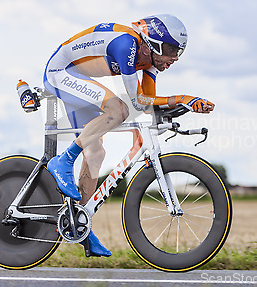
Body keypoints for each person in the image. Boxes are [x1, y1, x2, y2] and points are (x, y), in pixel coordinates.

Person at [43, 14, 214, 257]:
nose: (174, 58)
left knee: (95, 153)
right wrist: (182, 98)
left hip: (80, 78)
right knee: (118, 110)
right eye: (171, 50)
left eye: (179, 52)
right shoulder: (127, 45)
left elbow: (147, 105)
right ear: (153, 43)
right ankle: (64, 160)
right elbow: (137, 100)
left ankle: (79, 224)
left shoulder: (152, 62)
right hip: (61, 72)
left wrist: (186, 106)